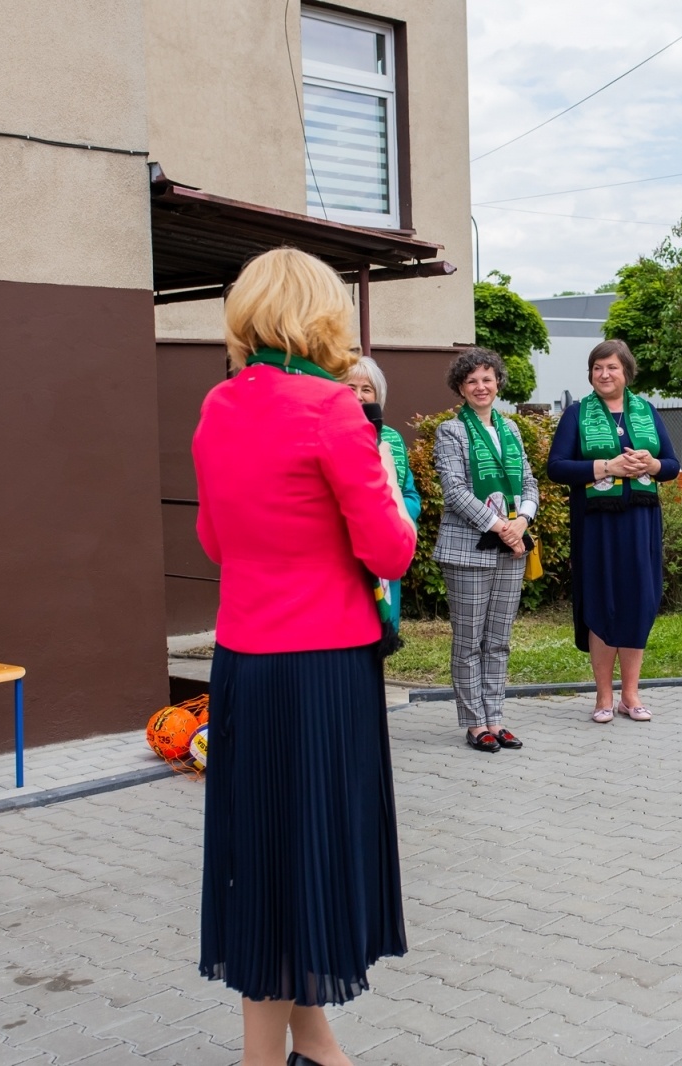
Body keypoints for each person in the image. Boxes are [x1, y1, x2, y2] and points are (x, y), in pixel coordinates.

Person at [193, 248, 418, 1066]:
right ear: (323, 315)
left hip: (245, 663)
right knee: (311, 856)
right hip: (323, 667)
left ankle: (311, 1040)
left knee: (263, 855)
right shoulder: (331, 410)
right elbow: (390, 552)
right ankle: (264, 1060)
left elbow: (214, 539)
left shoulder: (218, 406)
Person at [546, 339, 680, 722]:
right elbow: (556, 467)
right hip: (597, 524)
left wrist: (651, 465)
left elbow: (671, 465)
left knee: (637, 600)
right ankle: (603, 697)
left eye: (612, 368)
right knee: (602, 601)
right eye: (597, 368)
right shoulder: (575, 414)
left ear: (627, 373)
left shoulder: (647, 411)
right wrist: (606, 467)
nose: (604, 374)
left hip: (640, 523)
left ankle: (631, 694)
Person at [432, 348, 540, 751]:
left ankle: (496, 717)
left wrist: (522, 522)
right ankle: (474, 723)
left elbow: (529, 483)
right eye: (472, 380)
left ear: (498, 383)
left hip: (511, 546)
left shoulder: (510, 429)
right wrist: (501, 528)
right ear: (461, 387)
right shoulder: (451, 431)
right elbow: (455, 491)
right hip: (469, 549)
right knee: (469, 640)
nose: (481, 386)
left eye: (487, 378)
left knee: (498, 639)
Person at [346, 356, 421, 630]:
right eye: (350, 388)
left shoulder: (392, 439)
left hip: (387, 545)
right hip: (348, 556)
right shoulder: (329, 435)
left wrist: (398, 515)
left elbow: (410, 494)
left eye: (366, 389)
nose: (358, 396)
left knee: (383, 633)